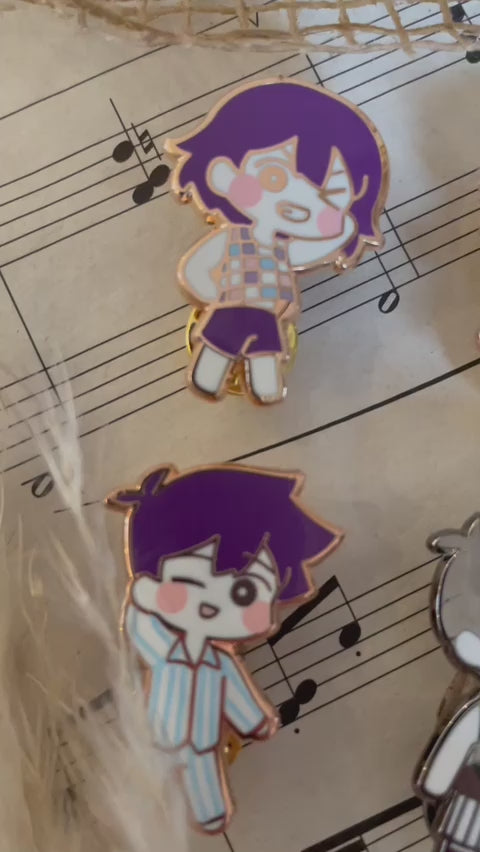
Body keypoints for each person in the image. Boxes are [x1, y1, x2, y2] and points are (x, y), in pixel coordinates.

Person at [107, 463, 342, 833]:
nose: (213, 602)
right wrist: (143, 598)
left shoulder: (219, 659)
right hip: (159, 730)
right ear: (153, 580)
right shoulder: (163, 648)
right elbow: (142, 631)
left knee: (202, 767)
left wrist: (255, 721)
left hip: (204, 737)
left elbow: (235, 690)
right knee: (154, 773)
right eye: (191, 580)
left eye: (246, 593)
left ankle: (210, 811)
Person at [167, 79, 388, 402]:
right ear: (222, 172)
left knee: (266, 353)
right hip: (231, 308)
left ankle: (264, 388)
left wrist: (344, 229)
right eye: (274, 177)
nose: (299, 204)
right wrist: (217, 298)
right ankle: (208, 378)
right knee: (219, 345)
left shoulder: (288, 253)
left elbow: (315, 249)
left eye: (330, 199)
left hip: (269, 316)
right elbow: (194, 271)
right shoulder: (235, 238)